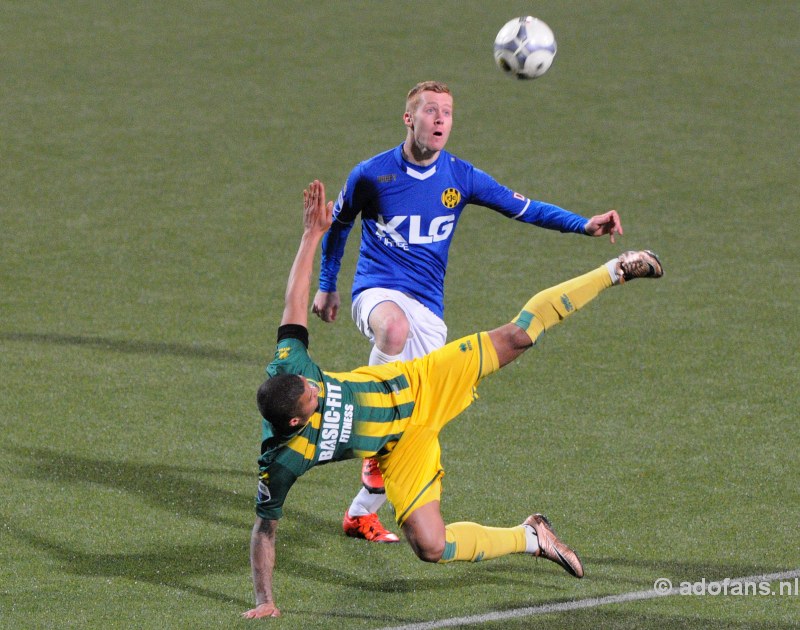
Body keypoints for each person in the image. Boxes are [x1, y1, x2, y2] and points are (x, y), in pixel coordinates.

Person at [242, 180, 662, 619]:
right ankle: (531, 537)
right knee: (430, 546)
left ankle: (616, 270)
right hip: (401, 448)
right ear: (294, 423)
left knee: (517, 337)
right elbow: (265, 530)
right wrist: (265, 601)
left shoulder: (290, 365)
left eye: (312, 385)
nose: (317, 387)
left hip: (421, 381)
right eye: (313, 398)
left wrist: (311, 235)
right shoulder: (280, 462)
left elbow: (293, 298)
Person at [311, 81, 626, 543]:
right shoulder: (371, 174)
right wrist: (326, 286)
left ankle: (361, 512)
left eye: (448, 113)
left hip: (429, 311)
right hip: (376, 292)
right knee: (392, 332)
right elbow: (337, 226)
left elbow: (525, 209)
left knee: (420, 417)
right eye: (431, 111)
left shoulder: (461, 177)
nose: (440, 119)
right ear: (408, 119)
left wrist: (584, 225)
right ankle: (369, 426)